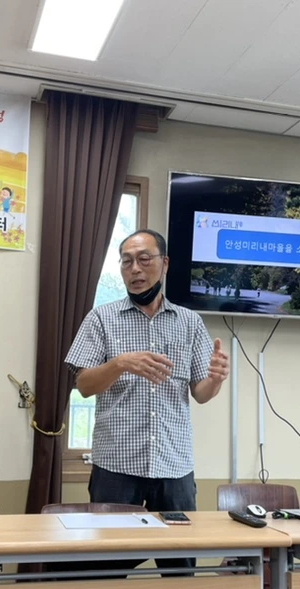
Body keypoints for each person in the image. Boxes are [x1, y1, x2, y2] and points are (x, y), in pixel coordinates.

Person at [64, 229, 229, 570]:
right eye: (126, 262)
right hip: (116, 466)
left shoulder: (190, 322)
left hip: (174, 466)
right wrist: (121, 363)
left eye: (143, 259)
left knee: (181, 567)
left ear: (164, 264)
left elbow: (200, 394)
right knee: (106, 567)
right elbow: (84, 385)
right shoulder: (101, 318)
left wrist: (215, 379)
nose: (135, 269)